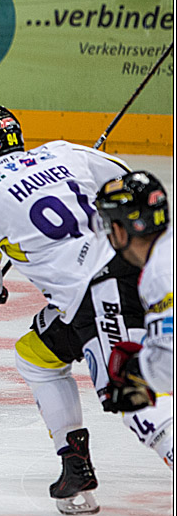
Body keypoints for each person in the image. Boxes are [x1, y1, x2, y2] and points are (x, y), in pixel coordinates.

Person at [0, 107, 173, 516]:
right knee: (35, 355)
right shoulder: (63, 152)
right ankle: (75, 466)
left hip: (99, 290)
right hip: (133, 265)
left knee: (134, 399)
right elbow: (127, 184)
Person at [95, 171, 173, 405]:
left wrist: (138, 370)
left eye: (109, 224)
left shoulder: (160, 273)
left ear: (122, 228)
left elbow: (170, 367)